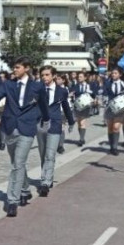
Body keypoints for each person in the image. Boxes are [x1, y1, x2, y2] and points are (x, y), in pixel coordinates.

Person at [0, 57, 49, 217]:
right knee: (16, 163)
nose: (14, 70)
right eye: (14, 67)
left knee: (17, 164)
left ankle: (12, 201)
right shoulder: (8, 84)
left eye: (17, 67)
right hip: (10, 128)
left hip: (27, 129)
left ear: (26, 68)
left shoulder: (37, 86)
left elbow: (43, 104)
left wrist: (46, 119)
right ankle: (25, 189)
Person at [35, 66, 74, 197]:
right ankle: (48, 177)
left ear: (53, 76)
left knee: (50, 155)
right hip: (40, 124)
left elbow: (66, 107)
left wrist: (71, 121)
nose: (44, 77)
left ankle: (45, 182)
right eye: (42, 75)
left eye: (47, 75)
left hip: (55, 125)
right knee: (43, 154)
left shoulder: (62, 91)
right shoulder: (38, 89)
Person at [103, 67, 124, 156]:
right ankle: (111, 146)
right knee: (110, 127)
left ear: (120, 74)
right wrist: (104, 101)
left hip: (120, 107)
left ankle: (115, 147)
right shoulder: (108, 83)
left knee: (116, 127)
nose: (113, 75)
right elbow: (104, 93)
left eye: (115, 73)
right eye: (112, 73)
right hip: (110, 107)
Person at [71, 72, 95, 146]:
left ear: (85, 78)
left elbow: (94, 94)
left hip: (85, 106)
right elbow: (72, 93)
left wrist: (92, 97)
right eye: (78, 77)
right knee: (79, 123)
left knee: (82, 123)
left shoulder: (88, 85)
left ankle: (81, 139)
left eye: (81, 77)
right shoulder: (76, 85)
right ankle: (82, 137)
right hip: (77, 106)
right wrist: (71, 94)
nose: (79, 78)